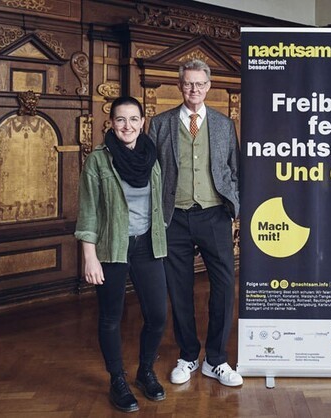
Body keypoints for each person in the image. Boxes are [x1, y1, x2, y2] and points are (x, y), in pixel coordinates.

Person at [147, 59, 242, 387]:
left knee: (224, 286)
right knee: (179, 289)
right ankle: (188, 355)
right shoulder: (160, 123)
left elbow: (234, 168)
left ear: (208, 86)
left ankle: (216, 360)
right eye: (188, 83)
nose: (194, 89)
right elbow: (152, 172)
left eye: (200, 84)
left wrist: (234, 205)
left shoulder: (224, 124)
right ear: (180, 85)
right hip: (174, 217)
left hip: (214, 215)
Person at [75, 96, 168, 412]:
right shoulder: (98, 160)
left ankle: (145, 371)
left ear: (142, 122)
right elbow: (88, 211)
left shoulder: (151, 156)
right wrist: (89, 256)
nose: (127, 126)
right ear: (111, 123)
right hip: (112, 246)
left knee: (158, 315)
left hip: (148, 245)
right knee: (110, 317)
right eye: (120, 119)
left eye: (133, 119)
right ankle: (117, 380)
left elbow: (159, 202)